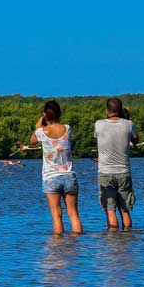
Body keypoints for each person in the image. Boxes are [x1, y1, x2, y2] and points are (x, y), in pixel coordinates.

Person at [24, 100, 83, 235]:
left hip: (51, 177)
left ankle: (58, 246)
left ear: (45, 115)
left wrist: (38, 124)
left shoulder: (41, 132)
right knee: (73, 214)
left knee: (56, 215)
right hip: (69, 176)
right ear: (59, 113)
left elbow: (31, 141)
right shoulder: (67, 128)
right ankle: (78, 246)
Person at [94, 96, 139, 230]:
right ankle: (127, 238)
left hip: (105, 174)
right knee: (125, 210)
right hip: (124, 172)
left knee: (110, 209)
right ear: (121, 110)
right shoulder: (128, 124)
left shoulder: (99, 124)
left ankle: (113, 240)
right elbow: (136, 140)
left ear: (107, 111)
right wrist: (126, 117)